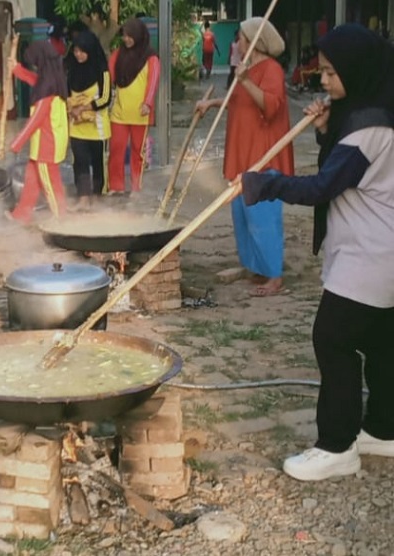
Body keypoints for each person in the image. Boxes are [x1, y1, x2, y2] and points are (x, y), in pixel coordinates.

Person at [230, 24, 394, 482]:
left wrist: (265, 184)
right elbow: (343, 170)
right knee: (381, 344)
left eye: (329, 73)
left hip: (370, 255)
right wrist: (325, 131)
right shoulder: (371, 114)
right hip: (378, 252)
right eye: (321, 72)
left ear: (357, 70)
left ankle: (337, 446)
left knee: (333, 338)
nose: (322, 81)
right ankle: (383, 429)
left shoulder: (372, 127)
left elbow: (325, 185)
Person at [195, 17, 293, 296]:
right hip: (241, 152)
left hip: (263, 155)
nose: (236, 43)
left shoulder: (270, 69)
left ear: (254, 42)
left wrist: (247, 80)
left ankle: (274, 275)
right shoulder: (247, 70)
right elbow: (237, 103)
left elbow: (270, 106)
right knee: (243, 215)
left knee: (262, 216)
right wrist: (211, 103)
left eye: (240, 38)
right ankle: (255, 267)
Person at [8, 40, 69, 223]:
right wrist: (17, 69)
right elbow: (34, 80)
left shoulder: (45, 91)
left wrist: (17, 143)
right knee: (31, 181)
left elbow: (35, 121)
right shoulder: (52, 79)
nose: (34, 66)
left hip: (46, 145)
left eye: (35, 62)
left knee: (50, 184)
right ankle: (21, 215)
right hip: (48, 142)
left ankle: (61, 219)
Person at [107, 18, 160, 196]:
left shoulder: (151, 57)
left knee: (138, 151)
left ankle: (136, 187)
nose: (126, 39)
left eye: (130, 36)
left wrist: (148, 103)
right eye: (124, 36)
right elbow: (109, 77)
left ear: (138, 36)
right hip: (119, 112)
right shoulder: (117, 54)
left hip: (140, 113)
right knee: (116, 149)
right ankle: (116, 186)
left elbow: (153, 81)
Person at [67, 30, 111, 211]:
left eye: (82, 51)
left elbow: (106, 98)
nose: (78, 55)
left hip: (97, 126)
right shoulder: (71, 69)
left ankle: (97, 196)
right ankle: (83, 198)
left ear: (91, 50)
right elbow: (66, 93)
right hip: (76, 126)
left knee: (97, 162)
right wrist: (71, 109)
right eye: (76, 51)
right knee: (80, 161)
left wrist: (84, 108)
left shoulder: (103, 70)